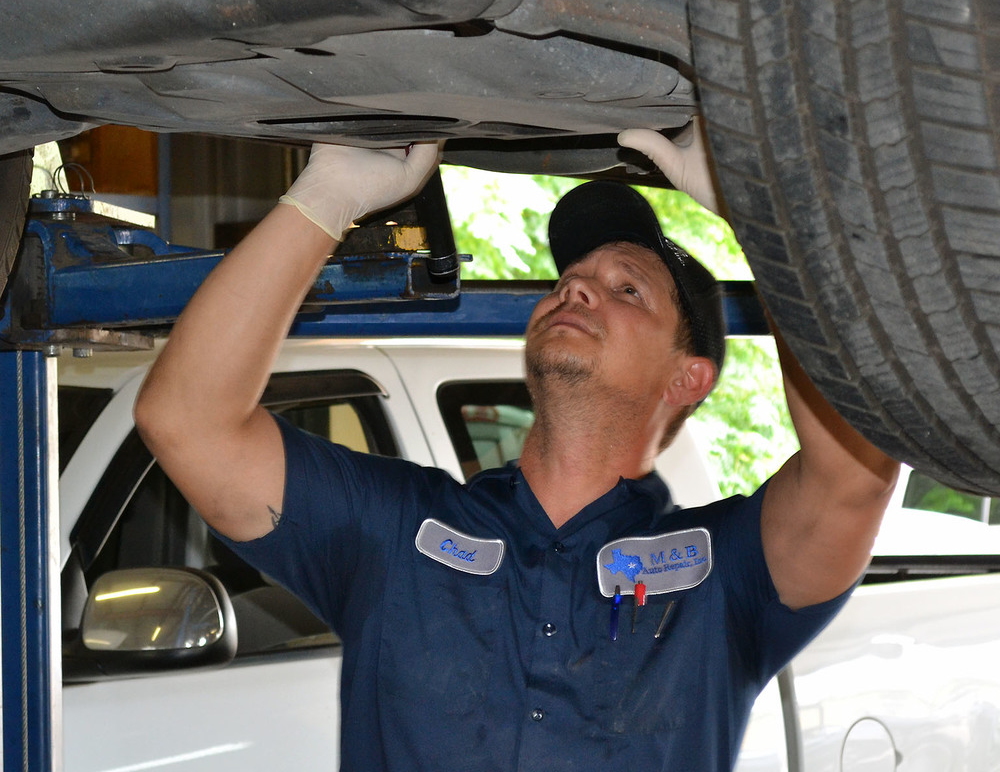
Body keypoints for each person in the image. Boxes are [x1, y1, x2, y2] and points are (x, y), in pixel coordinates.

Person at [134, 128, 899, 772]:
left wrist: (763, 217)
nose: (576, 290)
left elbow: (855, 473)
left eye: (626, 289)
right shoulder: (396, 532)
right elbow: (187, 421)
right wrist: (326, 195)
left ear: (686, 378)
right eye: (567, 280)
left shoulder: (722, 579)